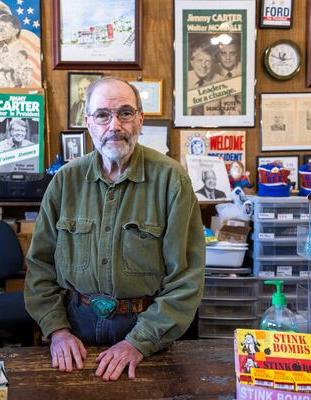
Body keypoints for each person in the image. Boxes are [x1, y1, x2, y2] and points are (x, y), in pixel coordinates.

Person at [24, 77, 205, 381]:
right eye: (103, 115)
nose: (114, 126)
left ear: (140, 119)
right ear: (89, 123)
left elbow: (186, 278)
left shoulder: (172, 181)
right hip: (74, 332)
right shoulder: (65, 181)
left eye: (125, 113)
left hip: (146, 333)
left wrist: (139, 342)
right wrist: (57, 330)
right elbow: (39, 265)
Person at [187, 45, 220, 116]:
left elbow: (231, 112)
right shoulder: (182, 80)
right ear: (192, 63)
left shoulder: (221, 80)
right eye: (200, 60)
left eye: (208, 61)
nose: (204, 65)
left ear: (212, 64)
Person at [215, 39, 242, 115]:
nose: (228, 57)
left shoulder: (245, 69)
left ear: (237, 54)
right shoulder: (211, 71)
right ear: (218, 55)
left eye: (232, 53)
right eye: (223, 53)